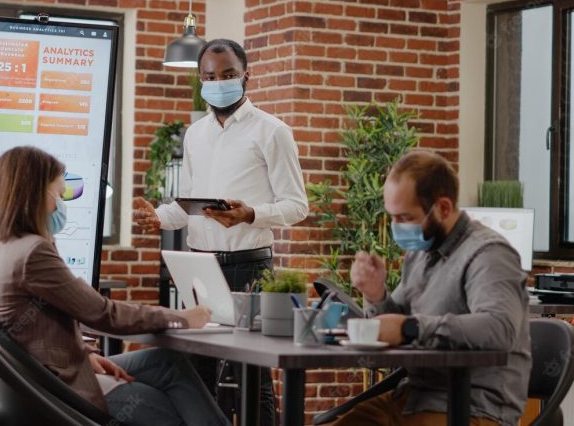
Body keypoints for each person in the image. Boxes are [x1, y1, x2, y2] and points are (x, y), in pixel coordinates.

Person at [0, 146, 231, 426]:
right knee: (177, 410)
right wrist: (181, 318)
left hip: (38, 380)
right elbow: (103, 313)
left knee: (169, 363)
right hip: (55, 390)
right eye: (58, 194)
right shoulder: (32, 252)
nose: (61, 204)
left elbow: (35, 330)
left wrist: (85, 354)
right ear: (34, 195)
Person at [133, 38, 309, 425]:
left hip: (249, 268)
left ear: (246, 75)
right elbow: (190, 206)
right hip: (199, 267)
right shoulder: (196, 134)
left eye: (228, 74)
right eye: (210, 76)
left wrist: (250, 215)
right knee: (196, 372)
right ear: (200, 80)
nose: (219, 82)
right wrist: (159, 218)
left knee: (252, 374)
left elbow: (298, 206)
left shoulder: (272, 131)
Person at [326, 151, 531, 426]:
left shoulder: (489, 254)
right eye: (393, 218)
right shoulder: (421, 254)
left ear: (443, 208)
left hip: (472, 407)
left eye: (405, 217)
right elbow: (394, 319)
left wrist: (410, 328)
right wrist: (376, 295)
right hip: (413, 397)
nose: (397, 227)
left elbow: (499, 327)